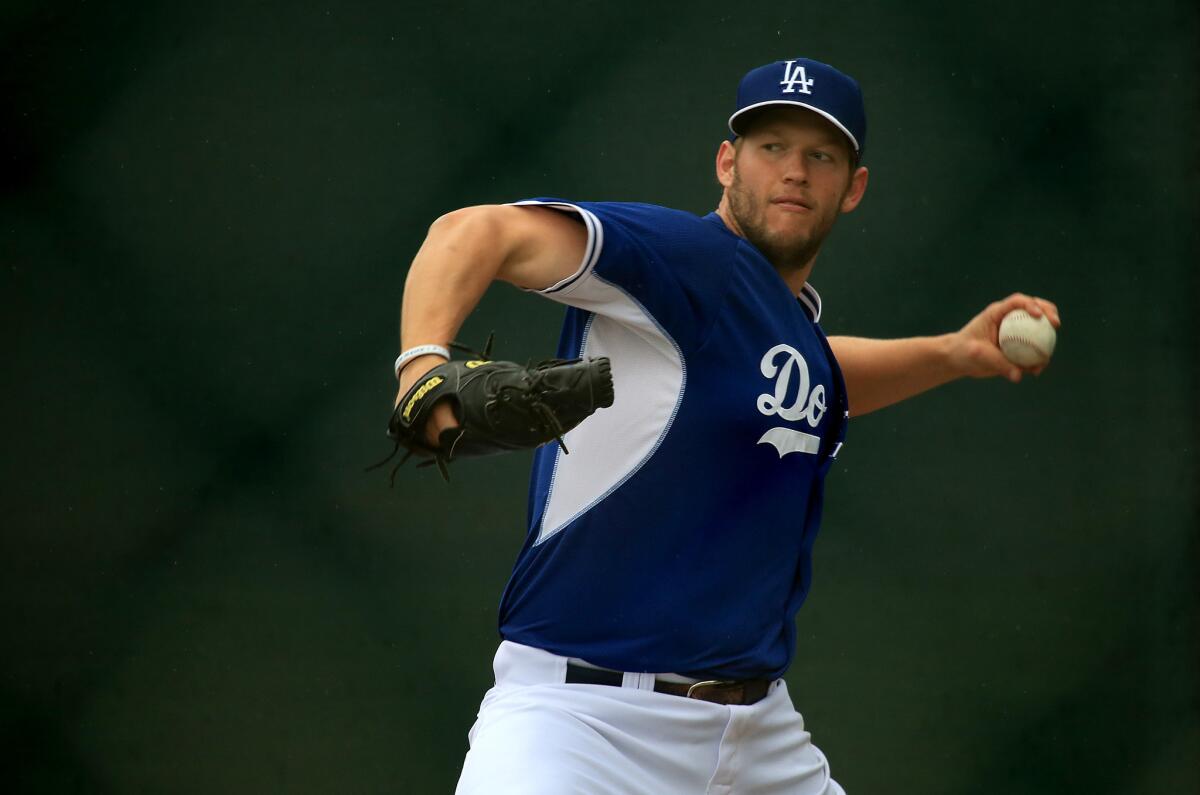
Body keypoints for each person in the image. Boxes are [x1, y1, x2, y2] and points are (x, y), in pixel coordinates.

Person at [392, 57, 1060, 794]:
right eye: (771, 146)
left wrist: (952, 353)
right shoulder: (686, 262)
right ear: (726, 162)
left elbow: (818, 380)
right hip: (583, 724)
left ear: (854, 188)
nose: (795, 172)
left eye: (821, 155)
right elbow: (475, 230)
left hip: (759, 741)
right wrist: (421, 365)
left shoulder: (788, 332)